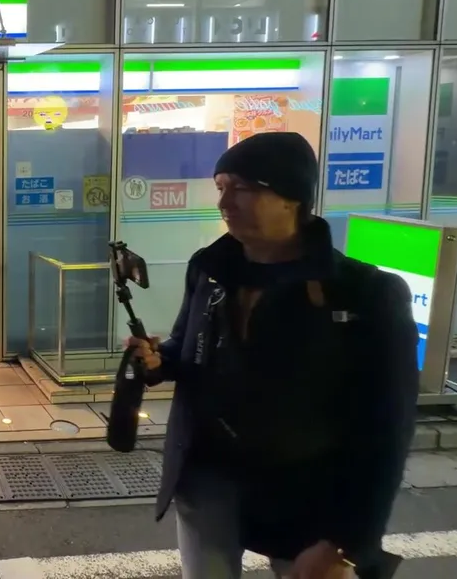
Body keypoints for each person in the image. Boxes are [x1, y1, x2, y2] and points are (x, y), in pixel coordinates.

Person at [128, 132, 420, 579]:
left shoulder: (364, 293)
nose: (225, 202)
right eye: (221, 187)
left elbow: (387, 428)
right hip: (206, 473)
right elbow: (187, 346)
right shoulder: (209, 268)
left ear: (292, 197)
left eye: (244, 188)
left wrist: (346, 540)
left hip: (306, 496)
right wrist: (158, 361)